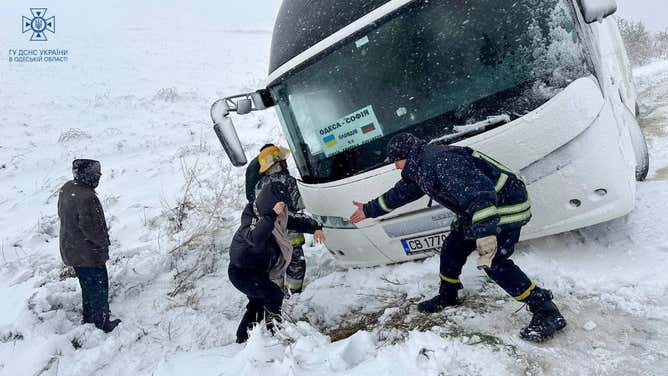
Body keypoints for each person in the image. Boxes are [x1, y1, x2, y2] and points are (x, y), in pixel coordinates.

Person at [349, 133, 566, 342]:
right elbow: (402, 192)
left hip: (503, 208)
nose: (395, 167)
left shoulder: (441, 161)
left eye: (395, 162)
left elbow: (480, 196)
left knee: (494, 263)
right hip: (476, 212)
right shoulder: (421, 165)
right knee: (451, 249)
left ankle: (546, 310)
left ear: (405, 156)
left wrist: (485, 236)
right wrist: (369, 209)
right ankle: (448, 295)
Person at [229, 182, 323, 343]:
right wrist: (271, 215)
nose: (283, 211)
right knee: (273, 295)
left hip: (259, 272)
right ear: (269, 203)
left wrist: (315, 227)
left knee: (257, 304)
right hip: (242, 273)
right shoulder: (252, 218)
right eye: (280, 206)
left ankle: (243, 339)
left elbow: (296, 220)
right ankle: (276, 332)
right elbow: (255, 238)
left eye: (284, 206)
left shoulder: (279, 218)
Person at [246, 144, 325, 294]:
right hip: (291, 232)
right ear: (276, 163)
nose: (285, 163)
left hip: (271, 233)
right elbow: (299, 203)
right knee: (296, 263)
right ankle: (293, 295)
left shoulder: (259, 185)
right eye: (282, 161)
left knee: (277, 266)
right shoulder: (287, 180)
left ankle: (277, 297)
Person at [57, 159, 121, 333]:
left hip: (71, 249)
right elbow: (94, 230)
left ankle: (88, 317)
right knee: (99, 286)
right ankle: (102, 322)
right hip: (88, 253)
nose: (99, 177)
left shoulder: (67, 188)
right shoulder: (88, 198)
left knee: (87, 285)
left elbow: (62, 216)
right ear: (89, 176)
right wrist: (104, 245)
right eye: (97, 174)